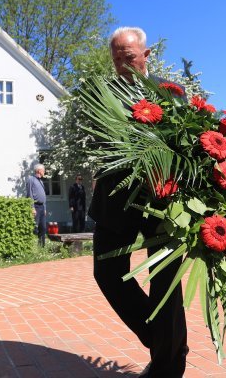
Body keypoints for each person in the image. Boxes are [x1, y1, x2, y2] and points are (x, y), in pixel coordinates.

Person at [88, 26, 187, 378]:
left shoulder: (171, 91)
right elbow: (99, 140)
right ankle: (162, 339)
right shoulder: (102, 93)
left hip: (164, 200)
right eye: (116, 58)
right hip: (116, 200)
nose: (122, 64)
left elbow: (184, 139)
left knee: (166, 286)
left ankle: (167, 366)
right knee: (107, 272)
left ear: (145, 55)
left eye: (127, 56)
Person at [26, 164, 48, 247]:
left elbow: (44, 196)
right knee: (34, 227)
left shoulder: (41, 181)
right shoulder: (31, 179)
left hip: (42, 207)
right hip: (35, 207)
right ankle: (30, 246)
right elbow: (29, 194)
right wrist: (32, 207)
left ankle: (41, 247)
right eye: (43, 170)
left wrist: (45, 208)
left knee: (43, 228)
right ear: (39, 170)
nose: (44, 171)